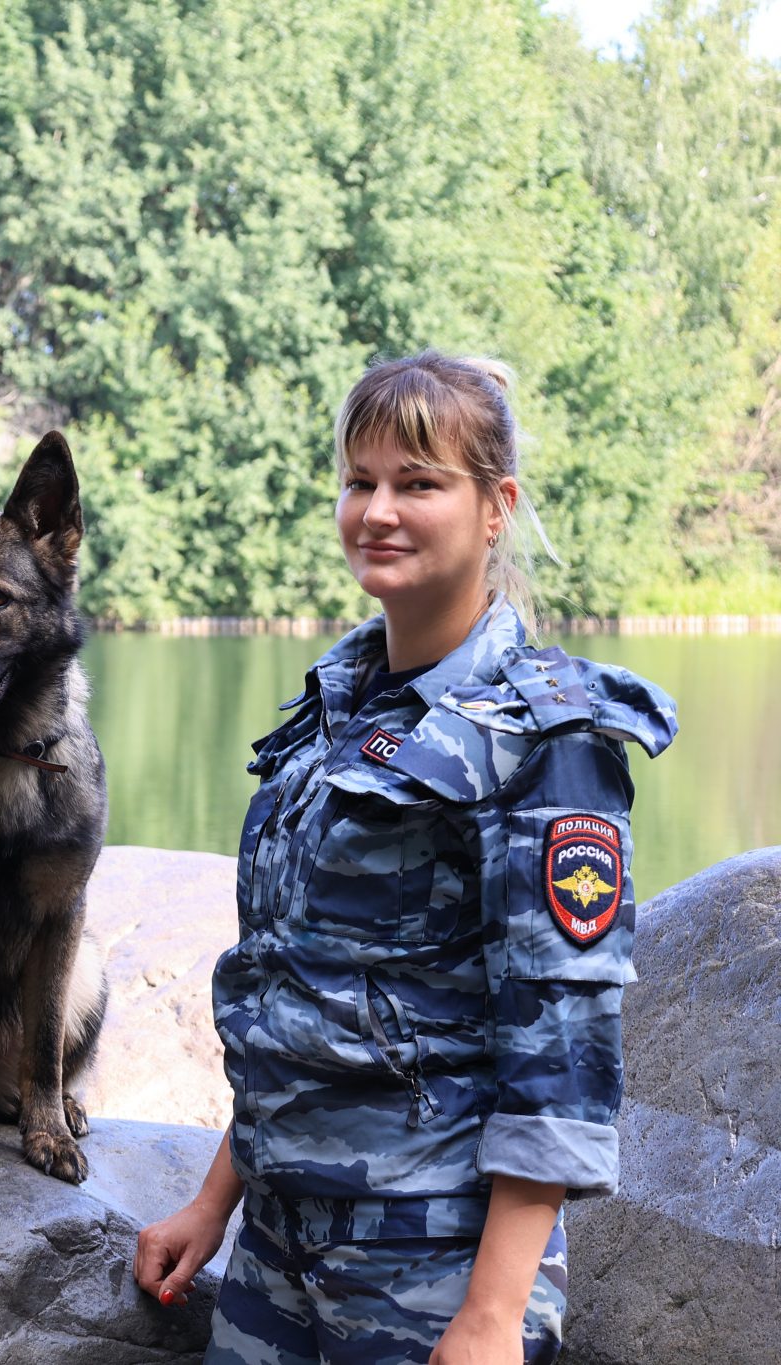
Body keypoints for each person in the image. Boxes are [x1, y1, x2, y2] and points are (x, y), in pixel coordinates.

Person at [134, 351, 676, 1364]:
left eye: (417, 483)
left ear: (492, 505)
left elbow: (558, 1054)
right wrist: (212, 1204)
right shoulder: (336, 706)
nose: (376, 510)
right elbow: (294, 992)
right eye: (359, 480)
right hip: (277, 1249)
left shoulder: (543, 741)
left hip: (430, 1262)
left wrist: (488, 1318)